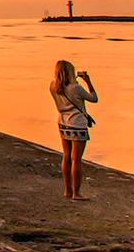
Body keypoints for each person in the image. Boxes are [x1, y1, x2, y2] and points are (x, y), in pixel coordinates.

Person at [51, 60, 98, 200]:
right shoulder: (76, 88)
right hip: (77, 125)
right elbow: (94, 98)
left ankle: (68, 190)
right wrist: (88, 81)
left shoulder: (53, 86)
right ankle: (76, 193)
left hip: (63, 123)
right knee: (76, 159)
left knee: (66, 157)